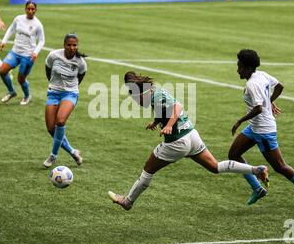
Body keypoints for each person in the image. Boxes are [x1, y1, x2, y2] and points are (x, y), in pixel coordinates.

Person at [108, 71, 270, 211]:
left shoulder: (154, 96)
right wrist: (157, 123)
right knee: (215, 167)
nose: (135, 101)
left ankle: (127, 202)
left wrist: (169, 126)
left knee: (148, 170)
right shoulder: (156, 92)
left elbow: (177, 107)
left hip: (177, 142)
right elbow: (166, 108)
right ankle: (257, 169)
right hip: (192, 135)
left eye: (134, 97)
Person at [228, 49, 294, 214]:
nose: (237, 70)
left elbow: (258, 108)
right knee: (234, 154)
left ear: (248, 67)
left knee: (280, 166)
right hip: (255, 127)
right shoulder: (262, 75)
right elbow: (279, 87)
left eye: (240, 66)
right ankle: (257, 189)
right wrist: (269, 101)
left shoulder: (252, 84)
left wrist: (239, 121)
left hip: (263, 131)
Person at [43, 34, 86, 168]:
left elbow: (81, 76)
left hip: (70, 93)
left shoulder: (80, 62)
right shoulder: (53, 56)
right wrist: (53, 85)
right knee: (51, 129)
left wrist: (71, 88)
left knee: (60, 121)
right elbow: (48, 70)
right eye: (69, 44)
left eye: (74, 45)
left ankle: (53, 156)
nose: (72, 47)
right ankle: (73, 152)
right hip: (53, 92)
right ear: (64, 44)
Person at [0, 1, 45, 105]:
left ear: (36, 10)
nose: (30, 11)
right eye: (28, 9)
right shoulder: (18, 19)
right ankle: (11, 92)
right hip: (15, 52)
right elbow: (11, 29)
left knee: (21, 79)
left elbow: (42, 40)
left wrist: (35, 52)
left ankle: (27, 96)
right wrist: (4, 41)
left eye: (33, 9)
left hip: (28, 55)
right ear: (25, 9)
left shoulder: (38, 24)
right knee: (2, 71)